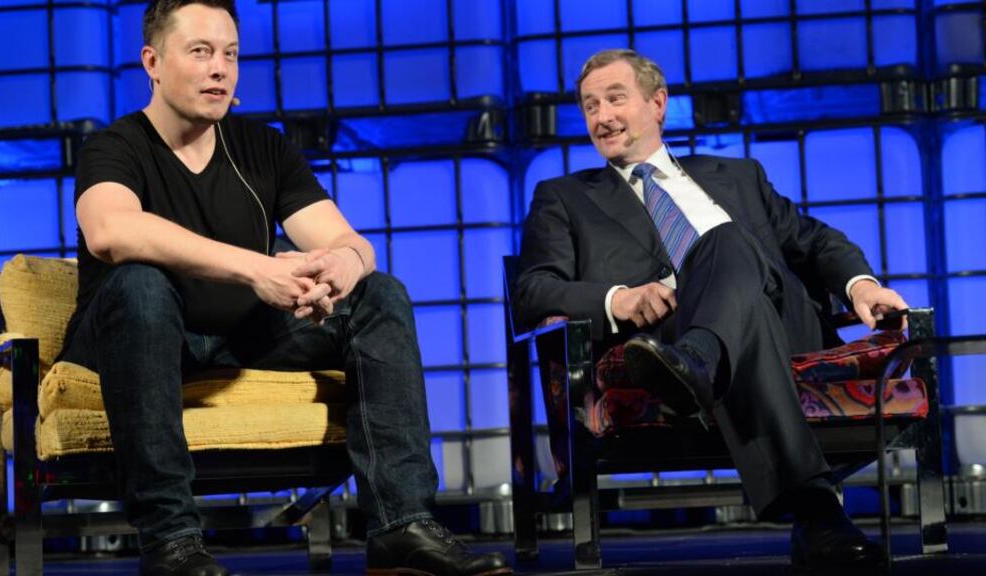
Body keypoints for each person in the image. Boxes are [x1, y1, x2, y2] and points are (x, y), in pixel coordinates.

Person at [59, 1, 512, 575]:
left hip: (238, 335)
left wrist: (344, 266)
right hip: (134, 336)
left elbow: (348, 240)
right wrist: (258, 267)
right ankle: (170, 540)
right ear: (152, 61)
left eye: (230, 54)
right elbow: (110, 231)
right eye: (200, 52)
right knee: (142, 285)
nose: (219, 68)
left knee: (381, 294)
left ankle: (401, 525)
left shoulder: (263, 148)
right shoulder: (115, 145)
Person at [515, 48, 909, 573]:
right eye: (590, 106)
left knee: (727, 241)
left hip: (776, 322)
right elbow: (534, 290)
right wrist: (619, 299)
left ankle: (697, 362)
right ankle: (817, 514)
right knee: (733, 272)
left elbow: (813, 241)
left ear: (658, 104)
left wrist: (861, 285)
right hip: (667, 331)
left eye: (615, 99)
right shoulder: (564, 197)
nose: (602, 117)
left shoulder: (738, 175)